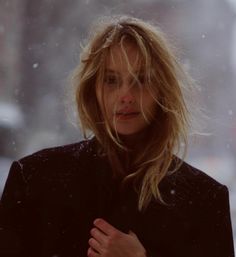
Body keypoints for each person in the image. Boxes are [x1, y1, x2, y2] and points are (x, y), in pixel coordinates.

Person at [0, 15, 234, 257]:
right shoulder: (34, 180)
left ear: (162, 92)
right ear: (93, 90)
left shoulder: (203, 200)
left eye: (141, 80)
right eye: (111, 80)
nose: (126, 95)